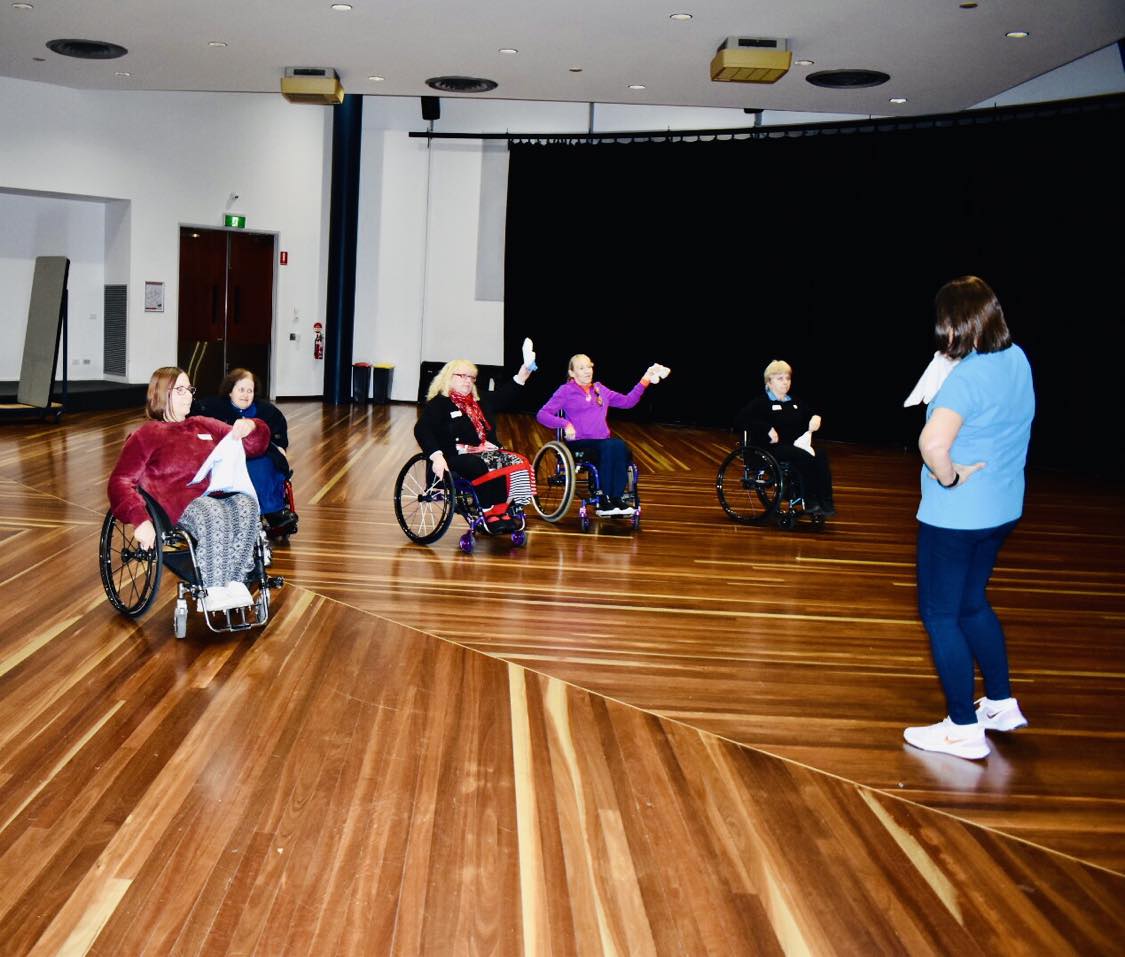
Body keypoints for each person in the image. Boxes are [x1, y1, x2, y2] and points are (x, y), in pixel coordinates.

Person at [903, 276, 1035, 760]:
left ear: (956, 325)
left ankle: (961, 726)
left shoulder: (967, 379)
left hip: (956, 518)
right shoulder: (1016, 358)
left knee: (940, 615)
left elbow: (933, 444)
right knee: (972, 603)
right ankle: (1000, 703)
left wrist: (950, 477)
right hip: (1002, 509)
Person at [107, 366, 269, 610]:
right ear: (161, 394)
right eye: (179, 390)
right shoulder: (146, 434)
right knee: (212, 511)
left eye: (189, 389)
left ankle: (236, 581)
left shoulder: (203, 424)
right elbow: (120, 481)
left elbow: (255, 446)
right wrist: (139, 520)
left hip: (217, 495)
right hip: (180, 505)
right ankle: (213, 588)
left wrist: (252, 426)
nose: (188, 396)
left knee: (247, 504)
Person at [414, 346, 537, 530]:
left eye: (471, 377)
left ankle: (502, 509)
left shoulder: (479, 401)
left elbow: (505, 395)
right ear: (448, 377)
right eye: (462, 376)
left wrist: (523, 373)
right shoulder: (439, 403)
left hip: (484, 452)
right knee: (479, 464)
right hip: (452, 457)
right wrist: (436, 457)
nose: (468, 381)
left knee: (516, 461)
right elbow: (422, 429)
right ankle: (487, 511)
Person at [536, 355, 669, 516]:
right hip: (579, 443)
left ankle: (616, 499)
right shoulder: (566, 391)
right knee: (612, 445)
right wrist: (565, 424)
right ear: (572, 373)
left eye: (589, 366)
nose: (587, 371)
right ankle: (603, 500)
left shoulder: (600, 389)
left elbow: (628, 402)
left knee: (620, 446)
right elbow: (542, 415)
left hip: (603, 444)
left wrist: (645, 379)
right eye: (581, 368)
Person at [195, 368, 296, 534]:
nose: (246, 395)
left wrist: (280, 450)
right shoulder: (212, 407)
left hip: (259, 454)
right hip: (226, 457)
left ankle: (273, 512)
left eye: (250, 390)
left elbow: (279, 439)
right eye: (241, 389)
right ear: (230, 391)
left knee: (263, 465)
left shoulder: (268, 412)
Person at [733, 359, 835, 516]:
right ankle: (810, 499)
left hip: (792, 446)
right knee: (803, 456)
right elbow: (741, 419)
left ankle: (826, 501)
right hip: (768, 449)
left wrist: (816, 417)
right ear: (769, 382)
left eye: (787, 378)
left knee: (820, 455)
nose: (785, 382)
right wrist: (766, 428)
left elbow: (811, 413)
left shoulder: (795, 403)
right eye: (780, 378)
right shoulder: (761, 402)